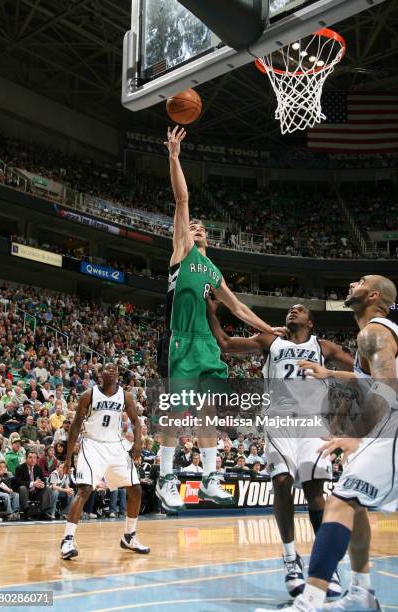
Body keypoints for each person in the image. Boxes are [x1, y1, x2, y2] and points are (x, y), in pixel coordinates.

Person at [156, 126, 284, 513]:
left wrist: (268, 329)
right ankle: (165, 477)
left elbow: (239, 309)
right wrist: (174, 156)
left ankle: (210, 476)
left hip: (207, 344)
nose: (196, 227)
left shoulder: (212, 271)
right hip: (181, 339)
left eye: (201, 228)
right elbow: (182, 197)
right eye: (192, 226)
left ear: (208, 238)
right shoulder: (181, 250)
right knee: (177, 411)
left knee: (210, 408)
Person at [259, 275, 398, 612]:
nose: (353, 283)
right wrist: (330, 374)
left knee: (339, 502)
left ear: (373, 295)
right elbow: (370, 378)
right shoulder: (378, 333)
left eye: (361, 281)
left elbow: (387, 388)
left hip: (390, 431)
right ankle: (362, 592)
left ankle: (309, 602)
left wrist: (353, 435)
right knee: (353, 504)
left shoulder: (374, 333)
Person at [208, 301, 354, 599]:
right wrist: (212, 311)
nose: (293, 311)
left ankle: (326, 567)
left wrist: (333, 377)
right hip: (279, 420)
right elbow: (224, 343)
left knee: (315, 493)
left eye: (300, 310)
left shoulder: (322, 346)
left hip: (313, 424)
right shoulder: (269, 341)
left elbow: (361, 369)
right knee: (281, 480)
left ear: (311, 322)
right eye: (290, 309)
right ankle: (290, 559)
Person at [60, 362, 149, 560]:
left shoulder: (124, 395)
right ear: (100, 374)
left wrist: (138, 443)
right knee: (84, 489)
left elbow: (135, 421)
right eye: (108, 369)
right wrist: (68, 458)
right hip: (92, 444)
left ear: (118, 375)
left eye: (115, 370)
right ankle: (67, 540)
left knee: (135, 489)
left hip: (116, 445)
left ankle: (129, 536)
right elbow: (75, 426)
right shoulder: (88, 395)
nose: (112, 372)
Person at [14, 449, 54, 520]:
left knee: (47, 488)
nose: (33, 460)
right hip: (25, 492)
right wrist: (33, 483)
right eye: (30, 457)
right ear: (26, 458)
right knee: (22, 488)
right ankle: (26, 512)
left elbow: (43, 479)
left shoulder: (38, 468)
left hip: (36, 492)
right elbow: (18, 482)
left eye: (35, 458)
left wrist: (42, 484)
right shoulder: (19, 468)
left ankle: (43, 512)